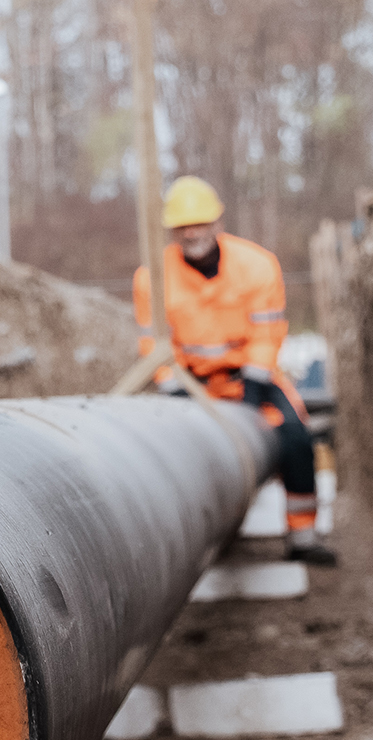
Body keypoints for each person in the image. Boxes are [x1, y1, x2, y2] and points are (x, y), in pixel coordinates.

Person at [134, 174, 334, 568]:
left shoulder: (257, 265)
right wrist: (175, 393)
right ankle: (190, 544)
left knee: (294, 434)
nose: (193, 233)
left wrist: (253, 394)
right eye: (183, 227)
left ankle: (303, 538)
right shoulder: (152, 280)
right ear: (173, 231)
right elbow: (155, 345)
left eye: (200, 223)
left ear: (218, 223)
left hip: (251, 377)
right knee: (177, 453)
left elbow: (267, 332)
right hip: (193, 383)